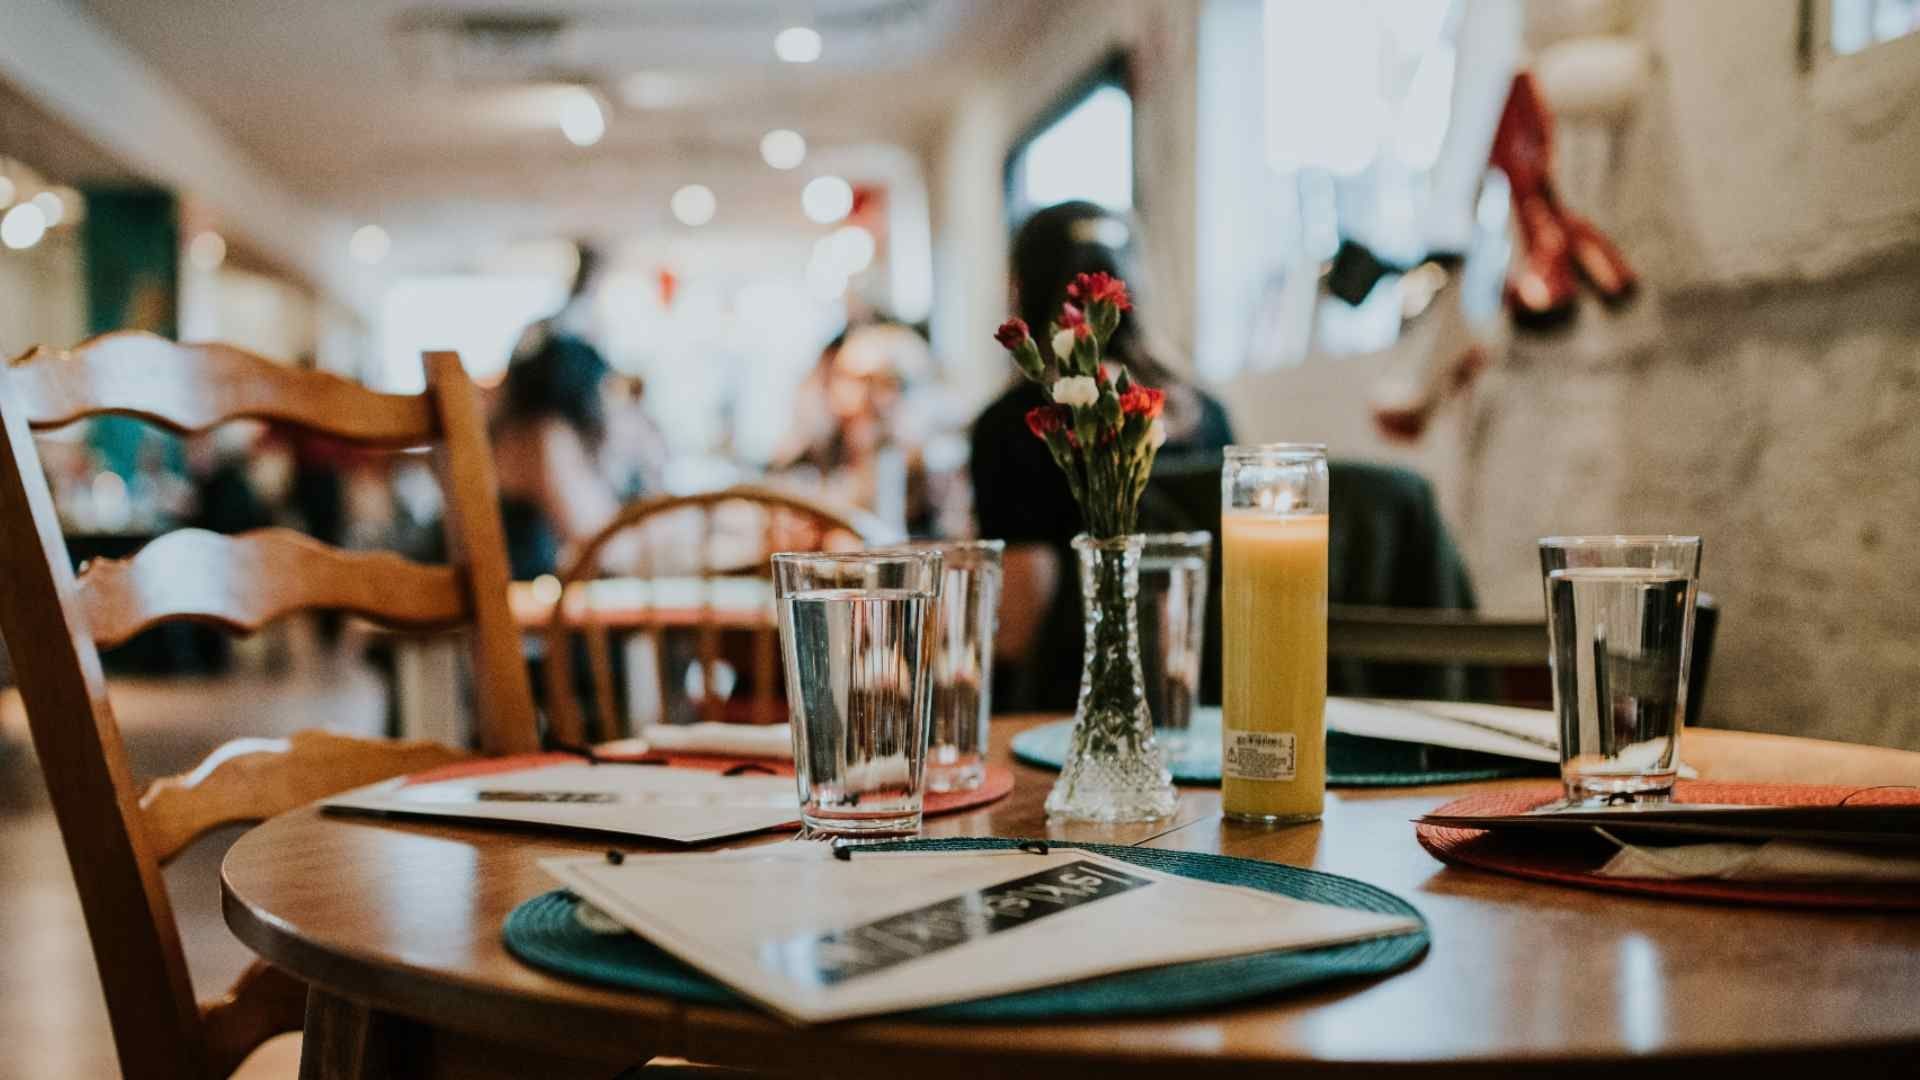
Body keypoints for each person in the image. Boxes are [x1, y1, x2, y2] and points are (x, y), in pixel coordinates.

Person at [970, 201, 1235, 711]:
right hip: (1207, 703)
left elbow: (1020, 629)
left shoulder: (1014, 425)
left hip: (1071, 716)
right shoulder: (1207, 413)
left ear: (1020, 287)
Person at [491, 333, 630, 579]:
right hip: (520, 595)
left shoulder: (517, 428)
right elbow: (592, 536)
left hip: (515, 589)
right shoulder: (543, 435)